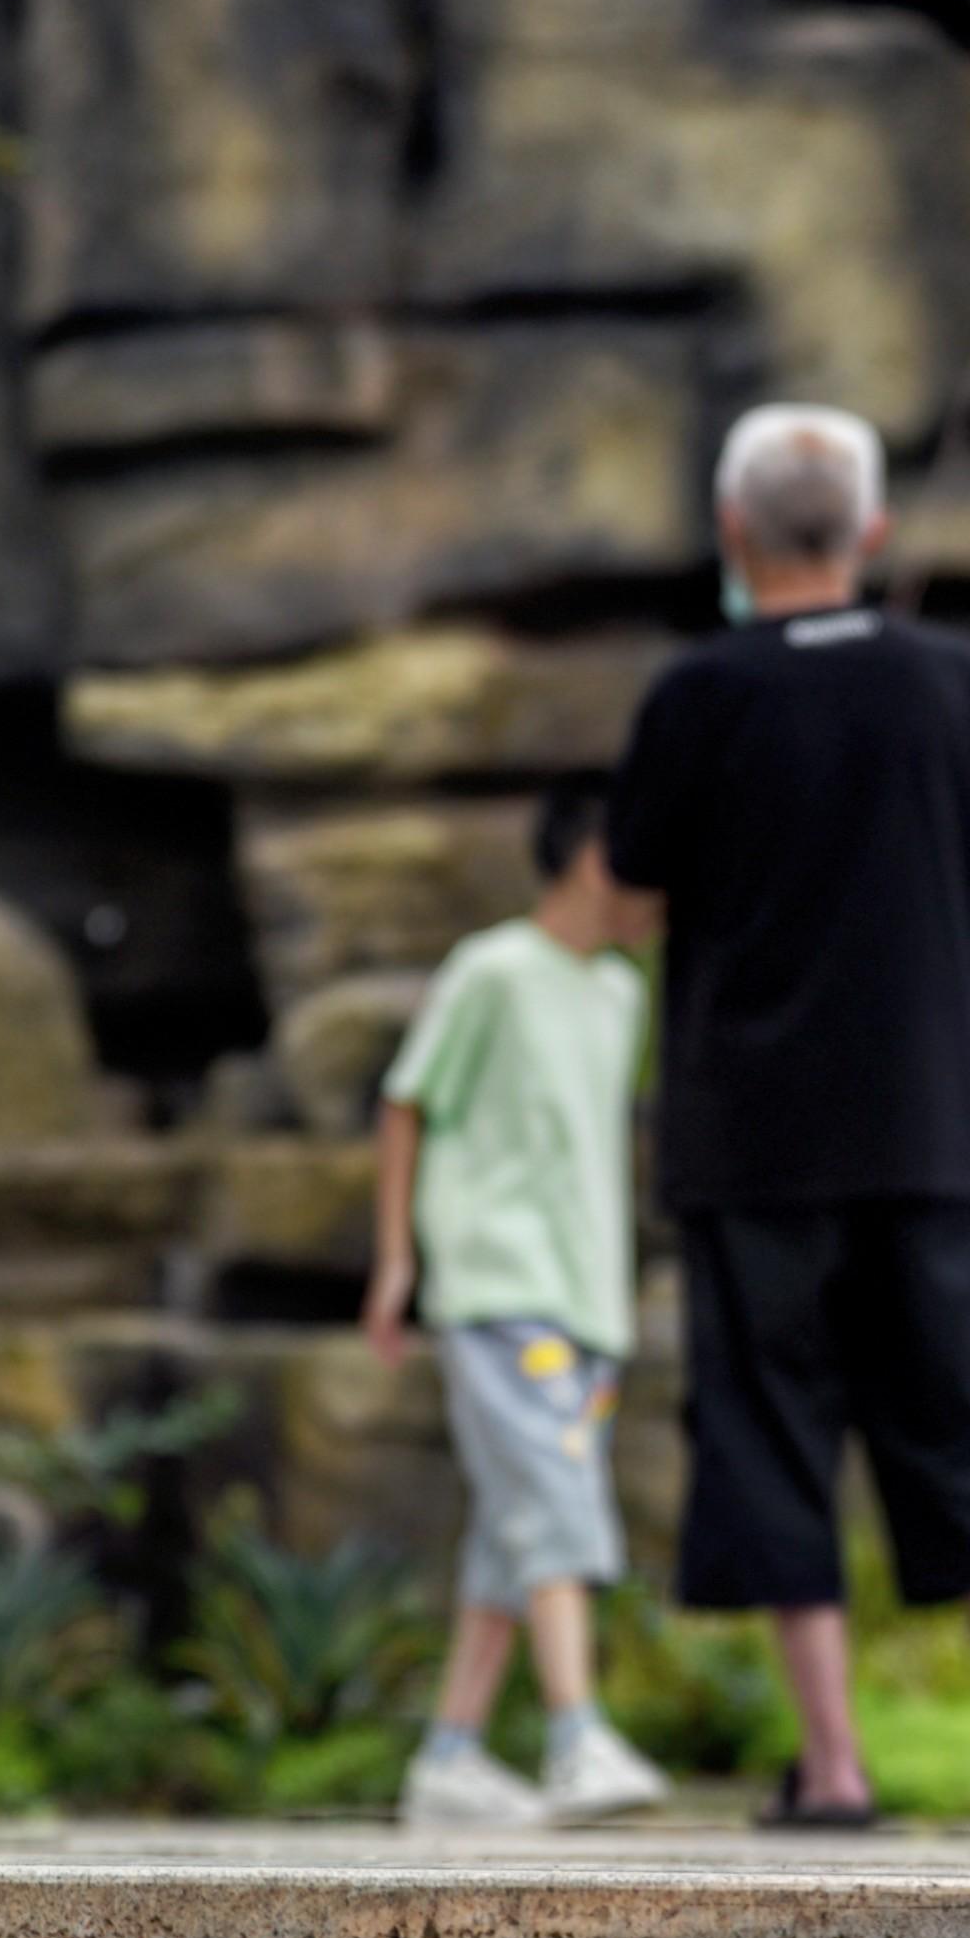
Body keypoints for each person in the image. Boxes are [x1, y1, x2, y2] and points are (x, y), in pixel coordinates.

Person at [603, 404, 970, 1831]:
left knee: (770, 1433)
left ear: (733, 535)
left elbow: (631, 894)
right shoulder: (952, 680)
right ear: (872, 536)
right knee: (954, 1417)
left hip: (750, 1139)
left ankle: (832, 1768)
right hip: (924, 1123)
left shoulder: (693, 696)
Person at [367, 774, 677, 1829]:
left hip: (586, 1300)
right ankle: (573, 1732)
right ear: (595, 853)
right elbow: (407, 1099)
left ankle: (448, 1755)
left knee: (511, 1532)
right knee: (555, 1503)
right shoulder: (491, 969)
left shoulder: (620, 990)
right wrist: (396, 1259)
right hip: (502, 1286)